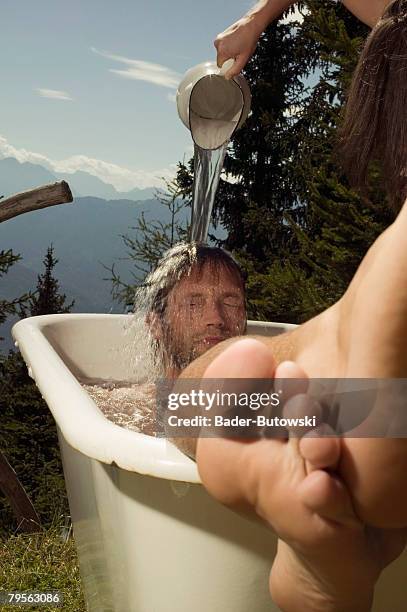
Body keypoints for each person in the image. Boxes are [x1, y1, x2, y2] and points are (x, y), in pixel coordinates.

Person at [173, 1, 407, 609]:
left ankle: (298, 489)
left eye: (228, 300)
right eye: (196, 302)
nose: (216, 314)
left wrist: (255, 20)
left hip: (374, 399)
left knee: (193, 397)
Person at [144, 242, 247, 378]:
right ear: (156, 324)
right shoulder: (121, 398)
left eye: (230, 303)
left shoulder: (273, 396)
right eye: (193, 303)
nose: (216, 319)